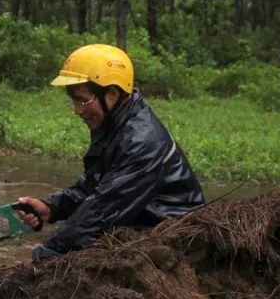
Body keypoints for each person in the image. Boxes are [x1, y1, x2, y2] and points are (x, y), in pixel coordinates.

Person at [16, 44, 205, 260]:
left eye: (83, 100)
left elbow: (102, 210)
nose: (77, 110)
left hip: (178, 237)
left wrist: (50, 254)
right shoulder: (112, 124)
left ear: (112, 94)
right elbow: (95, 187)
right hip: (141, 222)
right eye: (73, 100)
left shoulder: (142, 141)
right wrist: (51, 209)